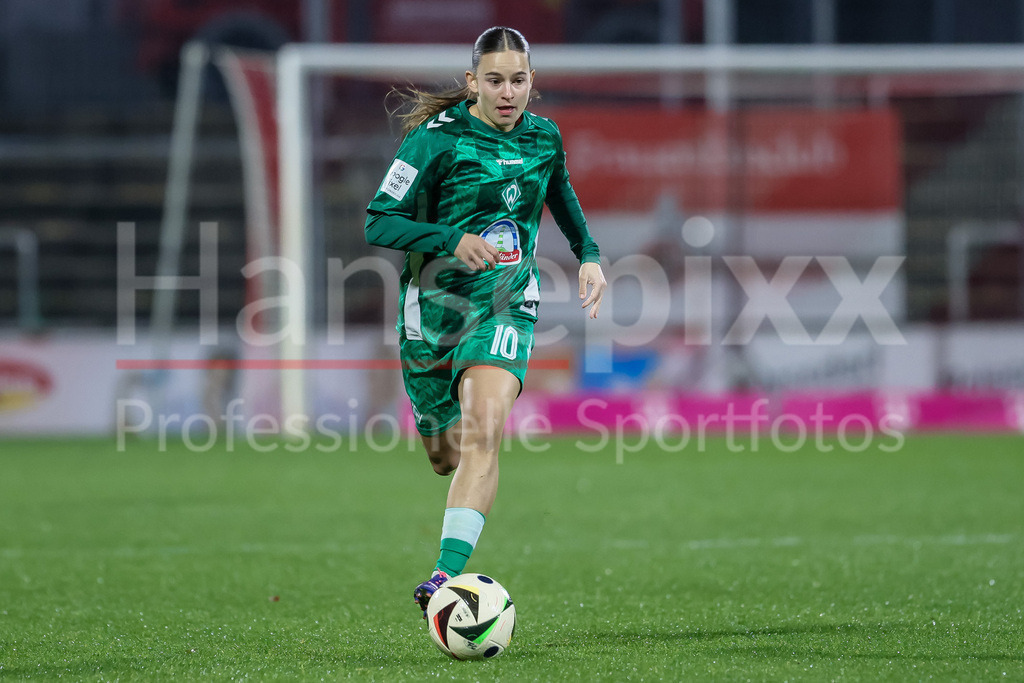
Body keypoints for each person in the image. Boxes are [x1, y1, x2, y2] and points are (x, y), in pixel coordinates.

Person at [364, 26, 607, 617]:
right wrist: (452, 238)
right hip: (432, 314)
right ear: (473, 82)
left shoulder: (544, 138)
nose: (507, 93)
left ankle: (443, 577)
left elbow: (561, 197)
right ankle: (448, 498)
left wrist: (590, 256)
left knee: (484, 431)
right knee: (444, 454)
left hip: (504, 303)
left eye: (518, 81)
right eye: (494, 80)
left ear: (532, 84)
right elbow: (378, 222)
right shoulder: (434, 141)